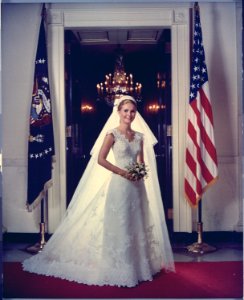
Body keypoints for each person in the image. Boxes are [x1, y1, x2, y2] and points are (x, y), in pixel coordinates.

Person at [22, 95, 175, 287]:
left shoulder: (140, 137)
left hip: (137, 188)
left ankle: (138, 266)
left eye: (132, 111)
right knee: (121, 223)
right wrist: (122, 172)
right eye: (126, 110)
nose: (129, 114)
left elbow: (140, 161)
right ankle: (118, 267)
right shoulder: (112, 134)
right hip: (119, 185)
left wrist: (140, 173)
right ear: (119, 112)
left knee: (137, 222)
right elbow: (101, 159)